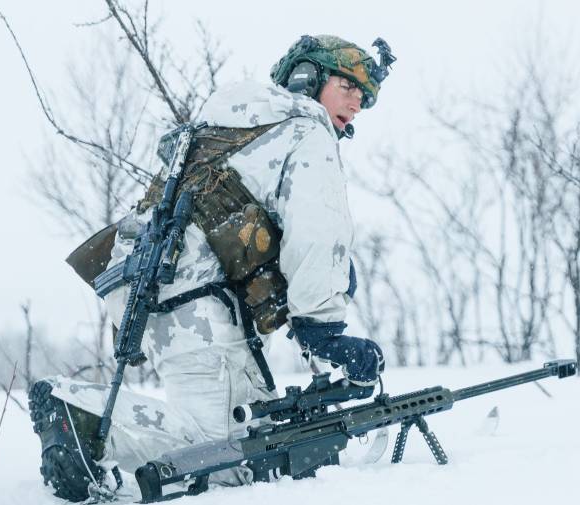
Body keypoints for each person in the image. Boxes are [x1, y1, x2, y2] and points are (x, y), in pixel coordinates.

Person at [28, 34, 394, 502]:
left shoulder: (227, 120)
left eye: (367, 97)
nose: (358, 103)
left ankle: (92, 429)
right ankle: (83, 416)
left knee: (258, 429)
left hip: (155, 296)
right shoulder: (307, 130)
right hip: (201, 307)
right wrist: (323, 328)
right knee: (235, 458)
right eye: (350, 86)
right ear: (308, 77)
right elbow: (316, 234)